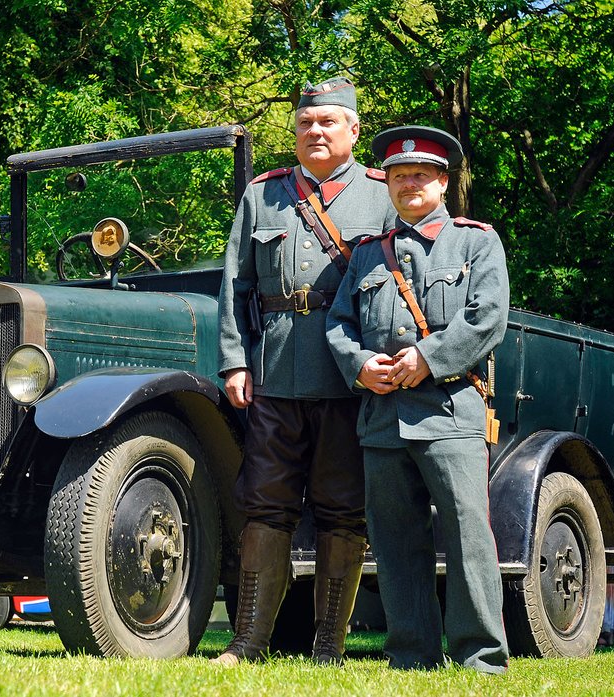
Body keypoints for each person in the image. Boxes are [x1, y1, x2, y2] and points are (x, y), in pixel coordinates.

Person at [214, 76, 396, 666]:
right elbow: (236, 288)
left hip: (350, 382)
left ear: (353, 130)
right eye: (305, 124)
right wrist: (236, 362)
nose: (314, 132)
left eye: (327, 123)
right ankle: (246, 643)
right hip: (275, 377)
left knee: (344, 508)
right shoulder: (261, 196)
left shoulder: (383, 195)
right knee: (265, 506)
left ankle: (329, 646)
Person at [325, 125, 510, 673]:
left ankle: (481, 658)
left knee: (468, 541)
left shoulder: (477, 242)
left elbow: (487, 318)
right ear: (389, 185)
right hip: (382, 420)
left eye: (421, 175)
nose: (410, 184)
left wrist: (426, 358)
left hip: (451, 414)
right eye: (400, 176)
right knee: (395, 545)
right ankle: (411, 656)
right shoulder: (366, 256)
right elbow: (338, 326)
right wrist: (361, 368)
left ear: (443, 183)